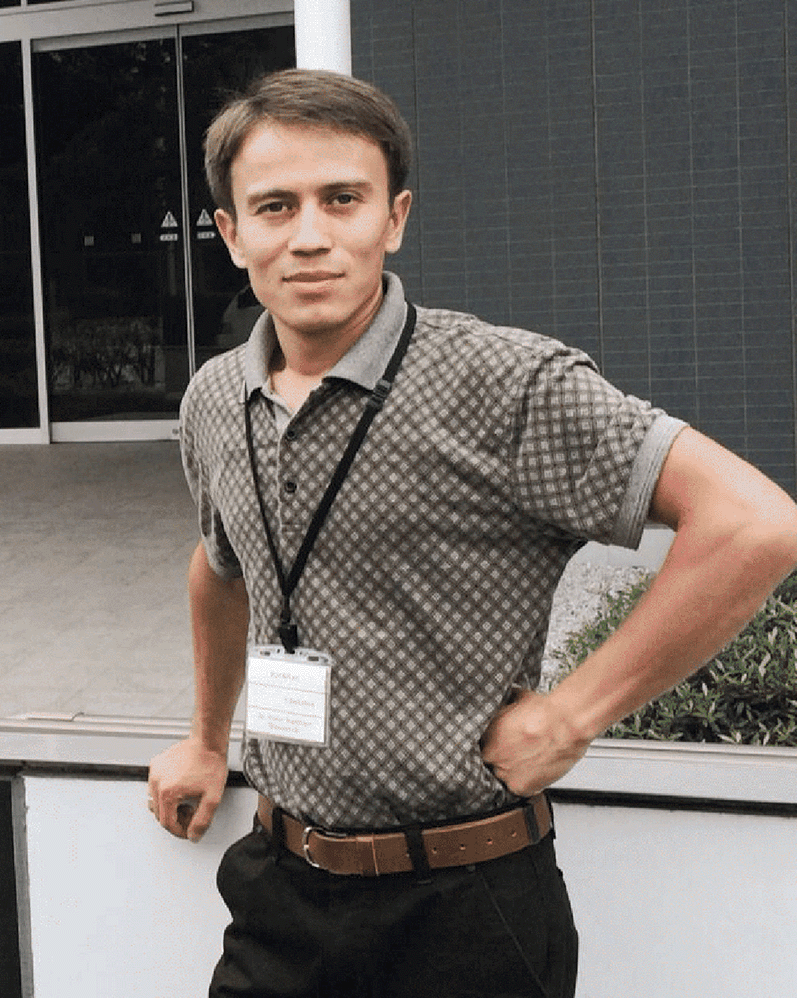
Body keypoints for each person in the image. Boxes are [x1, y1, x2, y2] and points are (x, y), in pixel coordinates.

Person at [148, 68, 797, 998]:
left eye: (343, 199)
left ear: (395, 218)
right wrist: (208, 740)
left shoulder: (505, 382)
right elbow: (221, 569)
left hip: (468, 907)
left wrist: (573, 715)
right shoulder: (216, 398)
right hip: (279, 892)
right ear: (232, 231)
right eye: (276, 206)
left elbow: (755, 524)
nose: (310, 236)